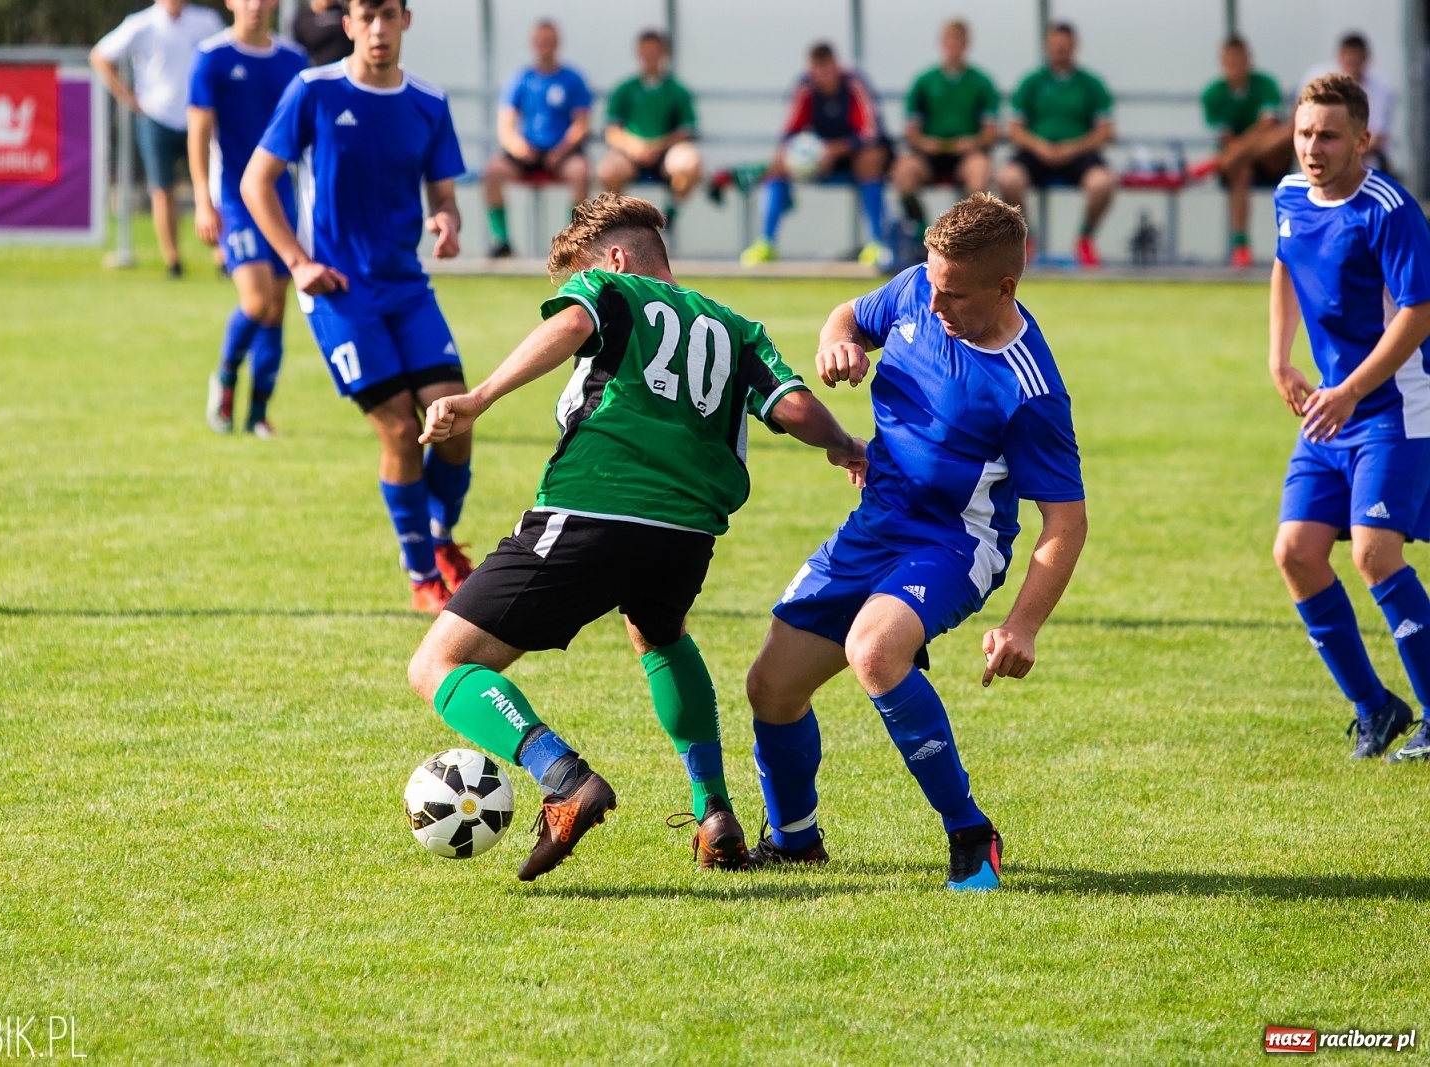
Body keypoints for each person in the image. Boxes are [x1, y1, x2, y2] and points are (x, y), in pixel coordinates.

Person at [407, 193, 868, 881]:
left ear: (616, 259)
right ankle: (714, 811)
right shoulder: (737, 326)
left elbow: (569, 327)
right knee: (658, 632)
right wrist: (845, 445)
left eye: (578, 280)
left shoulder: (608, 288)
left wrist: (478, 397)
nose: (575, 296)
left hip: (596, 506)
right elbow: (793, 405)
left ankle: (561, 775)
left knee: (436, 664)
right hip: (687, 532)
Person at [743, 193, 1087, 892]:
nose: (934, 307)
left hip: (957, 541)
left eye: (953, 295)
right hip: (877, 521)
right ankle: (795, 842)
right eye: (930, 285)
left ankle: (969, 830)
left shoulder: (1030, 389)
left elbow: (1066, 521)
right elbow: (850, 314)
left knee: (873, 649)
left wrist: (1023, 624)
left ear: (1005, 287)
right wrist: (834, 340)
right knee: (771, 687)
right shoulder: (917, 286)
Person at [242, 0, 475, 613]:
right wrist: (297, 262)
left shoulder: (428, 101)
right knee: (401, 428)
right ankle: (422, 575)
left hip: (407, 287)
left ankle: (443, 539)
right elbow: (255, 181)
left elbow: (444, 193)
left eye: (388, 16)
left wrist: (447, 223)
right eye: (366, 17)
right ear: (348, 25)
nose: (378, 29)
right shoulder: (312, 91)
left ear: (406, 22)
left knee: (456, 419)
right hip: (339, 295)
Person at [1268, 74, 1430, 764]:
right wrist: (1279, 359)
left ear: (1362, 139)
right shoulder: (1288, 195)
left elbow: (1419, 315)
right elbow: (1285, 264)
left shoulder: (1389, 209)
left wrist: (1354, 390)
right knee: (1296, 553)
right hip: (1333, 407)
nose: (1313, 146)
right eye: (1305, 132)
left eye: (1329, 134)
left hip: (1395, 405)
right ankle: (1375, 707)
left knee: (1372, 553)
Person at [187, 0, 308, 438]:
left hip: (281, 198)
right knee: (256, 301)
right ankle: (224, 377)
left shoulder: (293, 60)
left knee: (276, 310)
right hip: (236, 199)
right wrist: (203, 200)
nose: (256, 5)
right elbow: (198, 131)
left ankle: (258, 414)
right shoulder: (212, 56)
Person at [92, 0, 225, 278]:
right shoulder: (140, 24)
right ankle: (173, 261)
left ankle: (222, 257)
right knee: (162, 191)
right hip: (156, 118)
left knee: (212, 189)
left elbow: (226, 55)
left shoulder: (207, 22)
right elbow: (101, 56)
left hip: (198, 117)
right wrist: (126, 97)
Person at [740, 42, 891, 268]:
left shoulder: (854, 84)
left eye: (827, 69)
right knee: (779, 162)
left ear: (836, 65)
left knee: (871, 159)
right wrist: (811, 155)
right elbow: (789, 133)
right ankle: (766, 243)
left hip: (854, 155)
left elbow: (871, 133)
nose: (823, 77)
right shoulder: (805, 87)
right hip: (820, 160)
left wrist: (834, 150)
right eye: (817, 71)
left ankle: (877, 244)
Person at [998, 22, 1115, 268]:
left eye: (1065, 45)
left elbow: (1105, 130)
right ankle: (1025, 240)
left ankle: (1085, 238)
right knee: (1008, 179)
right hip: (1037, 152)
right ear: (1047, 47)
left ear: (1075, 47)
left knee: (1102, 183)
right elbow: (1015, 129)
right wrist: (1040, 146)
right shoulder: (1032, 82)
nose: (1060, 50)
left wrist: (1073, 147)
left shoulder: (1090, 83)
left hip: (1078, 153)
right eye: (1055, 45)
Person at [484, 21, 593, 258]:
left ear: (557, 44)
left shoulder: (572, 80)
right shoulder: (520, 79)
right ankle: (500, 240)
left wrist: (561, 150)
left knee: (581, 172)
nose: (545, 46)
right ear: (534, 44)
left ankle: (573, 242)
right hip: (527, 152)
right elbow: (506, 125)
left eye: (549, 41)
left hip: (561, 153)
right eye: (541, 41)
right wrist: (518, 147)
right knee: (492, 171)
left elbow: (581, 124)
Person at [1194, 37, 1292, 269]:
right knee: (1241, 169)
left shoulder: (1266, 84)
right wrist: (1239, 154)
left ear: (1249, 60)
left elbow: (1270, 126)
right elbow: (1227, 138)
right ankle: (1241, 246)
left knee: (1287, 132)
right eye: (1230, 62)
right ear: (1222, 62)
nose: (1235, 67)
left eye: (1240, 61)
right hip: (1238, 165)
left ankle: (1219, 162)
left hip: (1272, 160)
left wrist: (1232, 155)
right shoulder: (1213, 93)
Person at [894, 19, 999, 229]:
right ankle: (921, 230)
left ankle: (962, 231)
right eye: (949, 42)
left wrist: (972, 142)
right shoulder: (924, 81)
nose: (953, 47)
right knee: (903, 172)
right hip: (930, 152)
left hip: (967, 153)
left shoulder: (982, 82)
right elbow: (911, 129)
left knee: (979, 174)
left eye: (958, 42)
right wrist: (925, 143)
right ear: (942, 43)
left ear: (967, 44)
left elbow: (990, 132)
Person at [598, 30, 701, 230]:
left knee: (690, 164)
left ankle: (671, 211)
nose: (649, 57)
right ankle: (621, 219)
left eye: (654, 52)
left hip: (665, 154)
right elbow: (611, 131)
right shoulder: (625, 89)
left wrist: (658, 146)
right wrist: (633, 146)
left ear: (664, 54)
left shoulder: (677, 90)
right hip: (631, 155)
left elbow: (687, 129)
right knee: (606, 171)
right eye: (645, 52)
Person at [1302, 34, 1396, 173]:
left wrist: (1342, 159)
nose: (1352, 61)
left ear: (1366, 58)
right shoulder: (1318, 77)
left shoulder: (1382, 88)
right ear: (1339, 56)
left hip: (1366, 163)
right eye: (1348, 57)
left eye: (1356, 58)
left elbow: (1377, 137)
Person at [293, 0, 351, 66]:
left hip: (343, 67)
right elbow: (299, 49)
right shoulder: (303, 18)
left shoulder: (344, 13)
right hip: (315, 69)